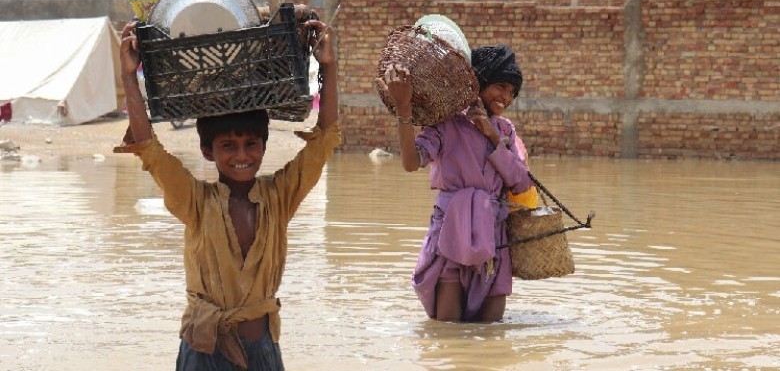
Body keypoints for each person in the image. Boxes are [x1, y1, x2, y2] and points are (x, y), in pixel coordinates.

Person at [115, 18, 340, 370]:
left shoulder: (279, 197)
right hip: (204, 351)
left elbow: (325, 139)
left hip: (263, 351)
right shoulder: (195, 201)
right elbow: (149, 148)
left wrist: (328, 65)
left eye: (250, 144)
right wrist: (129, 75)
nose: (241, 155)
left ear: (264, 147)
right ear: (208, 151)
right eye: (228, 146)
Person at [376, 43, 533, 323]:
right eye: (500, 86)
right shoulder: (446, 124)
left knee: (492, 328)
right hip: (451, 231)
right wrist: (404, 108)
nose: (506, 97)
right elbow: (412, 163)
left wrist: (491, 135)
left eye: (512, 92)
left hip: (495, 236)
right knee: (448, 330)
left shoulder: (505, 130)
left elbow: (521, 183)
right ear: (480, 82)